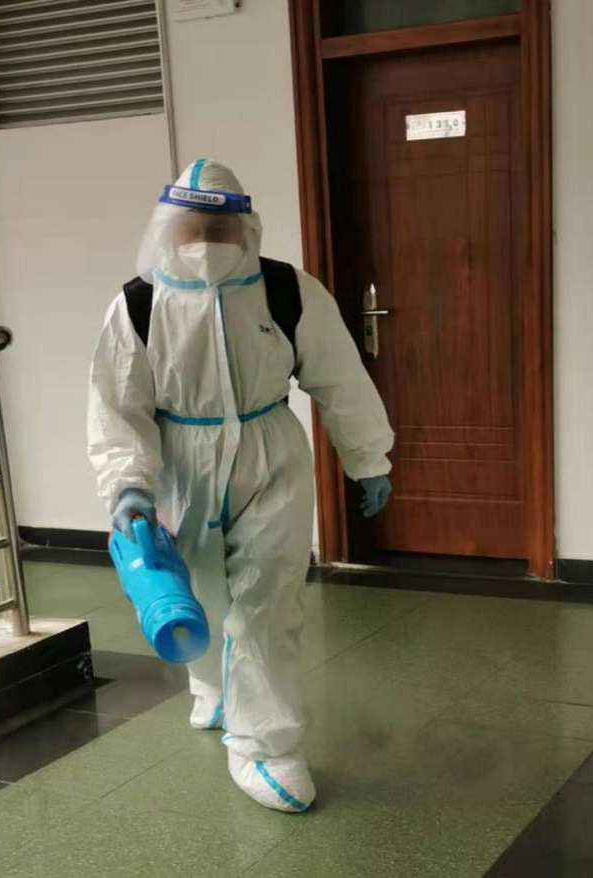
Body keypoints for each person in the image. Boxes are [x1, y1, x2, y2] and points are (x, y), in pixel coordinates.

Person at [88, 159, 393, 813]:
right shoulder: (138, 304)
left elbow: (339, 376)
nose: (205, 242)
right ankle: (212, 687)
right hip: (181, 462)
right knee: (196, 593)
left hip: (269, 454)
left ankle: (264, 746)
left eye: (219, 230)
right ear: (167, 228)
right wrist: (129, 486)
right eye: (192, 228)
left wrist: (369, 457)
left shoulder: (286, 290)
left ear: (245, 230)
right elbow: (117, 406)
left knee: (265, 603)